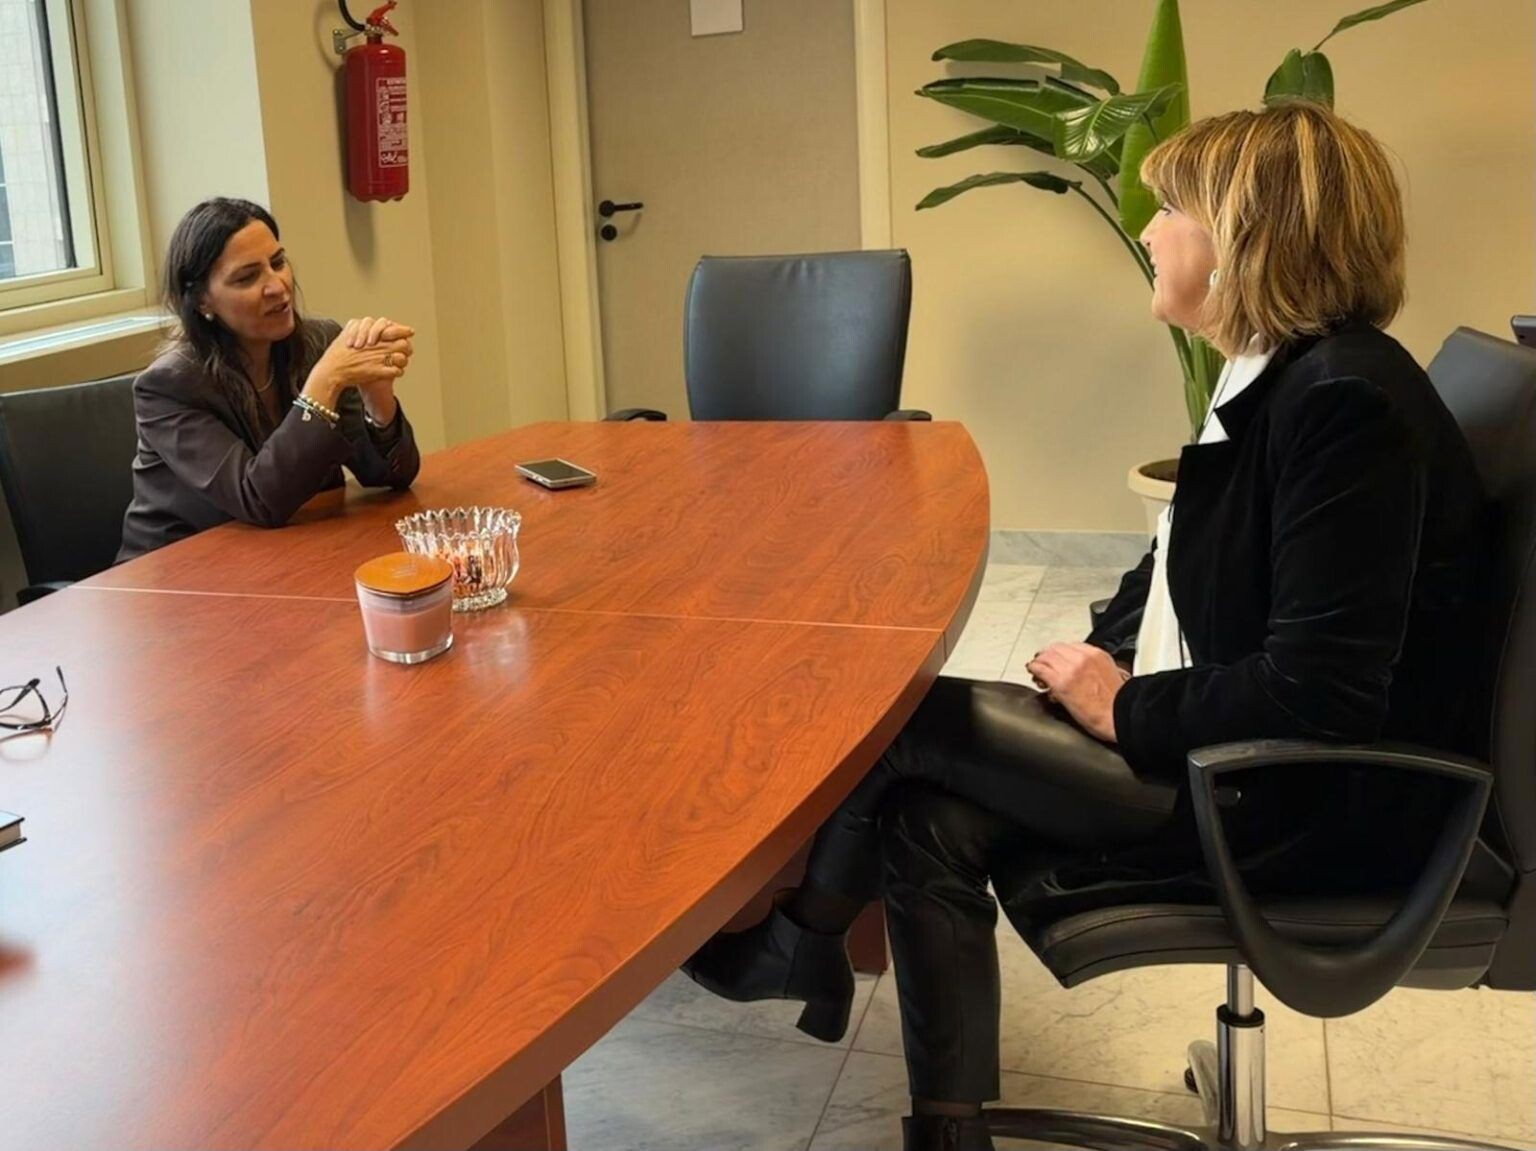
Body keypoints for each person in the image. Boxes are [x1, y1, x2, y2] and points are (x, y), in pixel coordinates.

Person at [682, 102, 1491, 1150]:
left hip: (1292, 796)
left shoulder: (1346, 404)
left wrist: (1122, 706)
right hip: (1239, 756)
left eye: (1173, 211)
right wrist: (1108, 652)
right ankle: (945, 1125)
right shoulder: (1281, 372)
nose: (1149, 230)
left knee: (910, 718)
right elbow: (1178, 561)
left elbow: (1322, 693)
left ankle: (800, 939)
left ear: (1246, 237)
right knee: (925, 811)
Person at [116, 198, 421, 562]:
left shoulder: (317, 342)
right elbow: (259, 500)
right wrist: (326, 381)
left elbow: (390, 475)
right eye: (247, 277)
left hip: (280, 553)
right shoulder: (168, 386)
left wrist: (377, 395)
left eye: (277, 263)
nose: (278, 286)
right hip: (175, 572)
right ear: (202, 302)